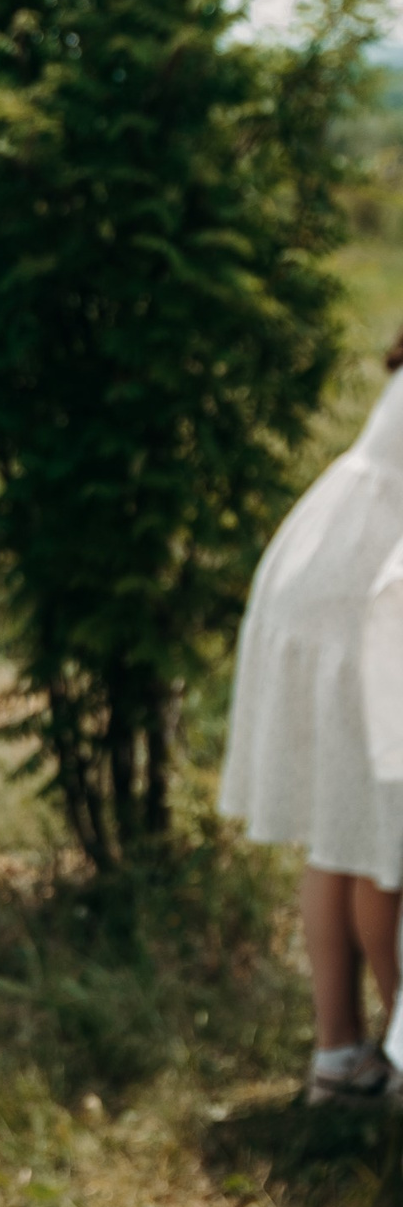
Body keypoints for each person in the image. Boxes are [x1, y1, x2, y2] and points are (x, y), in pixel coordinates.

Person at [220, 321, 403, 1104]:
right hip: (365, 602)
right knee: (385, 850)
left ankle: (342, 1054)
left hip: (333, 574)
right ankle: (396, 1053)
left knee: (345, 830)